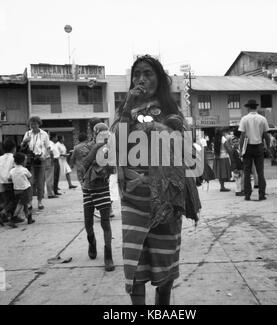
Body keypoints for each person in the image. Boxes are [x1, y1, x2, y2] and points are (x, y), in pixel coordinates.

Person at [111, 55, 201, 305]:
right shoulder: (125, 110)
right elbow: (116, 144)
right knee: (135, 264)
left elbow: (187, 151)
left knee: (165, 264)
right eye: (137, 74)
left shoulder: (171, 110)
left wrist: (163, 131)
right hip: (134, 198)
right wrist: (128, 107)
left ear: (159, 79)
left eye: (148, 73)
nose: (141, 79)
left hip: (167, 199)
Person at [81, 120, 115, 271]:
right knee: (88, 222)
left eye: (105, 133)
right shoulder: (86, 146)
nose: (103, 136)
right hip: (88, 188)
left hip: (102, 187)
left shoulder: (110, 147)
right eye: (100, 133)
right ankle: (92, 242)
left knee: (105, 222)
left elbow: (113, 167)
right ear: (95, 134)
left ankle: (108, 255)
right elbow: (85, 163)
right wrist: (97, 147)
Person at [239, 99, 270, 201]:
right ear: (256, 107)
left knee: (247, 172)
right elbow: (266, 135)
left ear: (248, 107)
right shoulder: (262, 118)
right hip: (259, 146)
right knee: (260, 172)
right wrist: (268, 147)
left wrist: (240, 150)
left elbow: (242, 136)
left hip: (247, 147)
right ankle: (262, 194)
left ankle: (247, 195)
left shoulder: (244, 119)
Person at [21, 116, 50, 210]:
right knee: (30, 181)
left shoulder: (44, 134)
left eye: (35, 124)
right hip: (30, 160)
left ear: (38, 124)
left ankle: (40, 202)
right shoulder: (27, 134)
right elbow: (22, 147)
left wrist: (44, 156)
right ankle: (29, 202)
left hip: (41, 159)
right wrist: (25, 142)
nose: (33, 126)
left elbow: (48, 147)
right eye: (31, 124)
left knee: (40, 181)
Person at [9, 152, 35, 226]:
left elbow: (9, 179)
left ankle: (25, 217)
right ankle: (18, 218)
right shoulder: (24, 170)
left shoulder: (12, 170)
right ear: (23, 161)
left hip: (16, 190)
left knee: (20, 204)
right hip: (26, 189)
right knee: (27, 203)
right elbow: (30, 177)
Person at [0, 139, 17, 225]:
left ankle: (6, 215)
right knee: (14, 200)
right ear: (14, 148)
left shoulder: (0, 158)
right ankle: (5, 212)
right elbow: (15, 169)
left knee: (6, 200)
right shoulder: (14, 158)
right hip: (10, 182)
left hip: (1, 182)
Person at [44, 132, 58, 199]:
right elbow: (51, 152)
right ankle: (50, 193)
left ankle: (49, 192)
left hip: (45, 159)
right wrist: (52, 161)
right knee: (50, 177)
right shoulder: (48, 142)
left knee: (47, 177)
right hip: (49, 159)